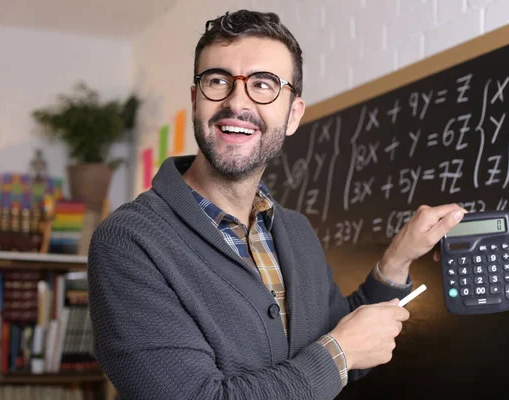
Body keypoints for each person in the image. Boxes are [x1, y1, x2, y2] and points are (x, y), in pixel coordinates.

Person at [87, 9, 466, 400]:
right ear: (196, 99)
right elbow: (334, 353)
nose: (237, 102)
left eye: (264, 84)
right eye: (217, 81)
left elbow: (342, 342)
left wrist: (397, 261)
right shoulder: (128, 242)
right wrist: (339, 353)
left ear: (293, 114)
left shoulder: (294, 231)